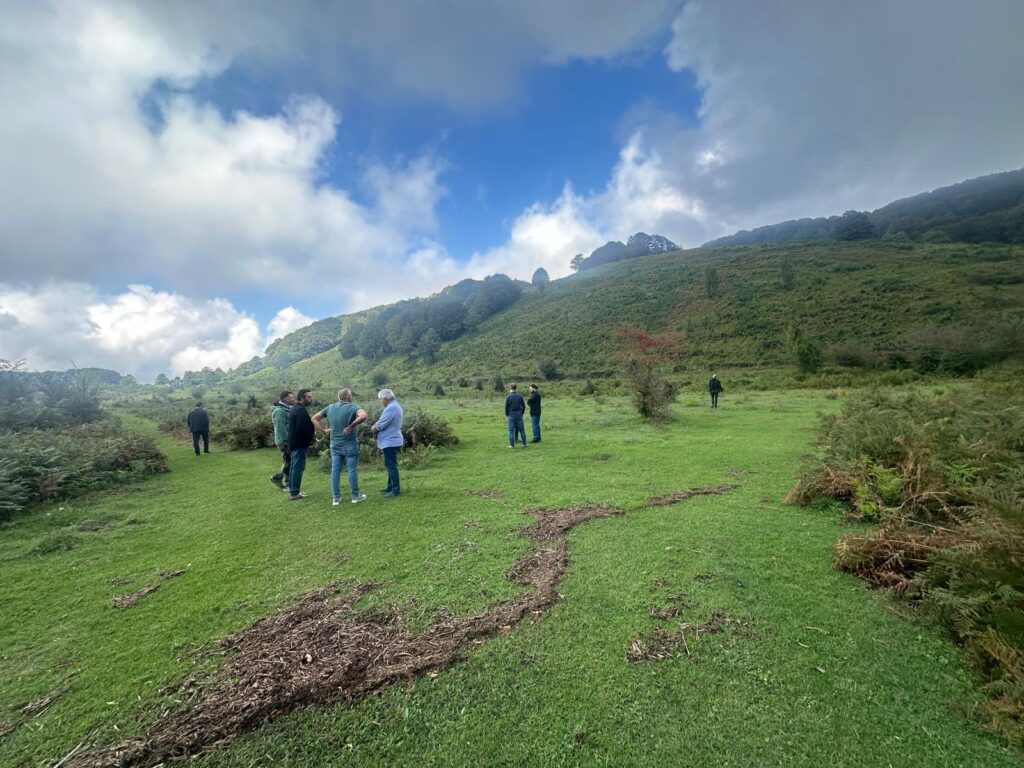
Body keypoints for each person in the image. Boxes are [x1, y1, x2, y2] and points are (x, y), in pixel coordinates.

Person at [312, 388, 368, 506]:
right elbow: (363, 416)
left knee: (335, 470)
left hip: (335, 445)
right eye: (351, 395)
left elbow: (314, 418)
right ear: (348, 397)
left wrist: (323, 430)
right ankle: (355, 496)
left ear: (339, 397)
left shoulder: (330, 408)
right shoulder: (353, 407)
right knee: (351, 470)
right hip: (350, 445)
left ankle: (336, 498)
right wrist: (352, 426)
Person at [371, 388, 403, 497]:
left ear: (385, 399)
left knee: (391, 465)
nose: (380, 401)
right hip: (390, 441)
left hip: (390, 441)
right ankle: (390, 486)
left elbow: (381, 424)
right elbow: (381, 420)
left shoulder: (391, 408)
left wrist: (374, 428)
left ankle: (395, 490)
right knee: (389, 464)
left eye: (380, 399)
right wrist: (376, 425)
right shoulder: (393, 406)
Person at [286, 388, 316, 500]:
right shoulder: (300, 410)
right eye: (308, 397)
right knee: (297, 467)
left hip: (295, 443)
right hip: (299, 444)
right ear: (302, 398)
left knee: (294, 467)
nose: (310, 398)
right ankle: (294, 493)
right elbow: (302, 428)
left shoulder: (295, 408)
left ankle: (294, 491)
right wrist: (311, 436)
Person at [269, 390, 294, 491]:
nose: (293, 399)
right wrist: (285, 442)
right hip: (284, 440)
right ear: (286, 399)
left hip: (288, 439)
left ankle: (277, 477)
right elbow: (280, 428)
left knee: (288, 460)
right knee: (289, 461)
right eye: (291, 397)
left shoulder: (286, 409)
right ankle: (287, 484)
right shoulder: (279, 411)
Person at [505, 383, 527, 448]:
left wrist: (507, 416)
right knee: (522, 430)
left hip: (511, 415)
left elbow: (506, 408)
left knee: (511, 431)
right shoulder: (520, 396)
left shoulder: (508, 397)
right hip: (519, 415)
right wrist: (521, 413)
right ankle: (524, 444)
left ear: (510, 388)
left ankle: (512, 445)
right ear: (516, 388)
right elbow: (524, 406)